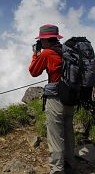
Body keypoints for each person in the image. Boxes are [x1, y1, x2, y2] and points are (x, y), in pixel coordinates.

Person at [29, 24, 75, 174]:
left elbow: (34, 71)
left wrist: (35, 54)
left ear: (46, 40)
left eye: (41, 40)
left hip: (56, 99)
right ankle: (70, 163)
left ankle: (57, 170)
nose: (40, 43)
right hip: (71, 97)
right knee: (68, 132)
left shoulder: (47, 53)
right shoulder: (67, 51)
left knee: (55, 137)